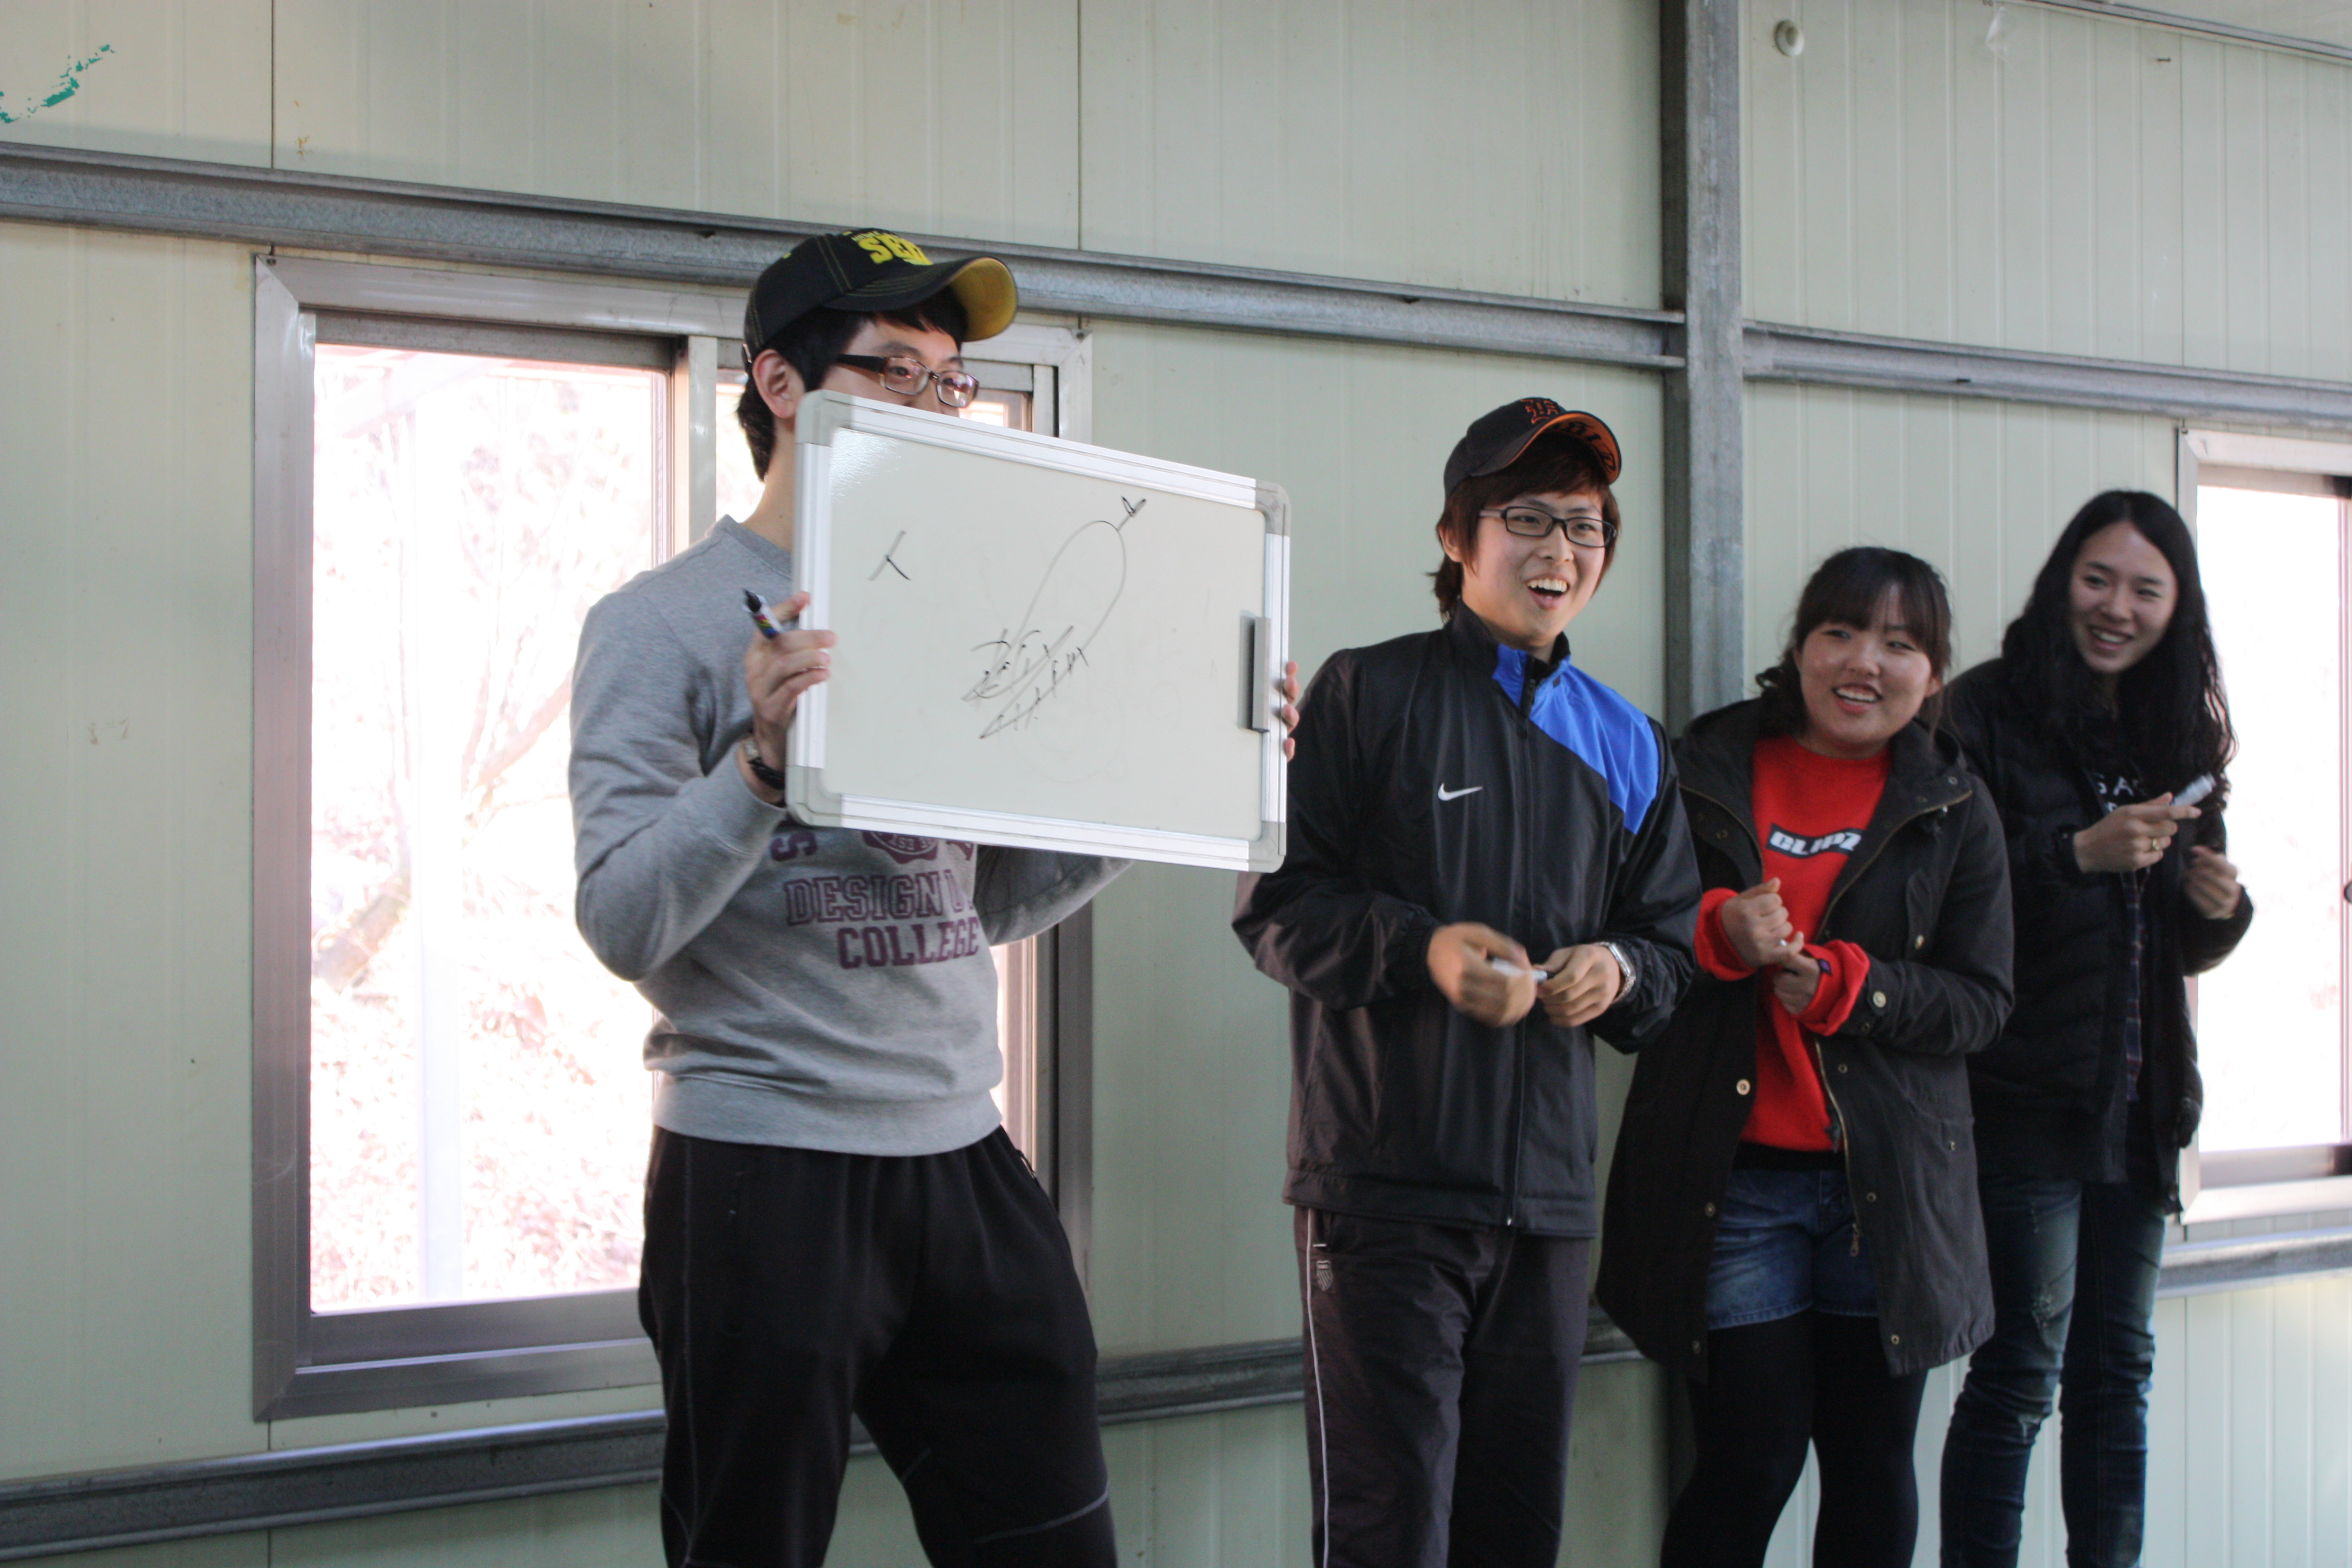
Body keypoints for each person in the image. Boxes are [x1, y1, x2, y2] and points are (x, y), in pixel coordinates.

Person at [569, 230, 1150, 1568]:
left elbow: (976, 903)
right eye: (896, 371)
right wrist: (762, 768)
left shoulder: (963, 616)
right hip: (762, 1166)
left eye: (950, 381)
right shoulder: (657, 624)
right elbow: (620, 918)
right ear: (782, 384)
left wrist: (1170, 781)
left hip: (964, 1156)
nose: (933, 405)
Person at [1232, 399, 1701, 1568]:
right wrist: (1423, 949)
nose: (1560, 551)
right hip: (1384, 1194)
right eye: (1527, 518)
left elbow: (1673, 949)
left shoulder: (1631, 740)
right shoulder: (1365, 694)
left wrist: (1621, 968)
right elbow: (1279, 911)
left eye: (1585, 526)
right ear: (1457, 537)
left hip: (1548, 1205)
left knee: (1515, 1531)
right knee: (1388, 1532)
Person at [1597, 547, 2015, 1568]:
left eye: (1900, 644)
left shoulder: (1956, 805)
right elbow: (1619, 923)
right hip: (1732, 1182)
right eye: (1840, 632)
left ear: (1933, 674)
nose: (1864, 661)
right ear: (1799, 648)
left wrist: (1855, 990)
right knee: (1749, 1464)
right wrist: (1714, 929)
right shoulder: (1700, 767)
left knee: (1871, 1470)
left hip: (1890, 1189)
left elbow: (1983, 1002)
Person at [1938, 491, 2253, 1568]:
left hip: (2142, 1103)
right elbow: (1939, 900)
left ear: (2177, 606)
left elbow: (2175, 945)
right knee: (2019, 1376)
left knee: (2118, 1377)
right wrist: (2076, 853)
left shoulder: (2176, 730)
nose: (2118, 607)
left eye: (2146, 589)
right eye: (2099, 579)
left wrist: (2219, 908)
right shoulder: (1985, 709)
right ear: (2062, 580)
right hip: (2023, 1099)